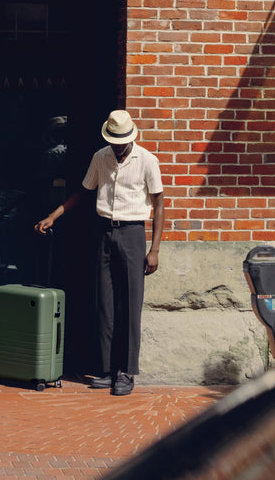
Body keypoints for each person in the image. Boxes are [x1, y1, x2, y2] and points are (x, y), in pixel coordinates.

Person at [35, 110, 165, 396]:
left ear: (130, 137)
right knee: (104, 303)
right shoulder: (100, 157)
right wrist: (54, 216)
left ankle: (126, 372)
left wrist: (154, 249)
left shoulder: (146, 160)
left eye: (121, 141)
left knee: (130, 304)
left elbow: (159, 203)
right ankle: (106, 369)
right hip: (104, 232)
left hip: (132, 233)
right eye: (114, 141)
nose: (117, 146)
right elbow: (82, 192)